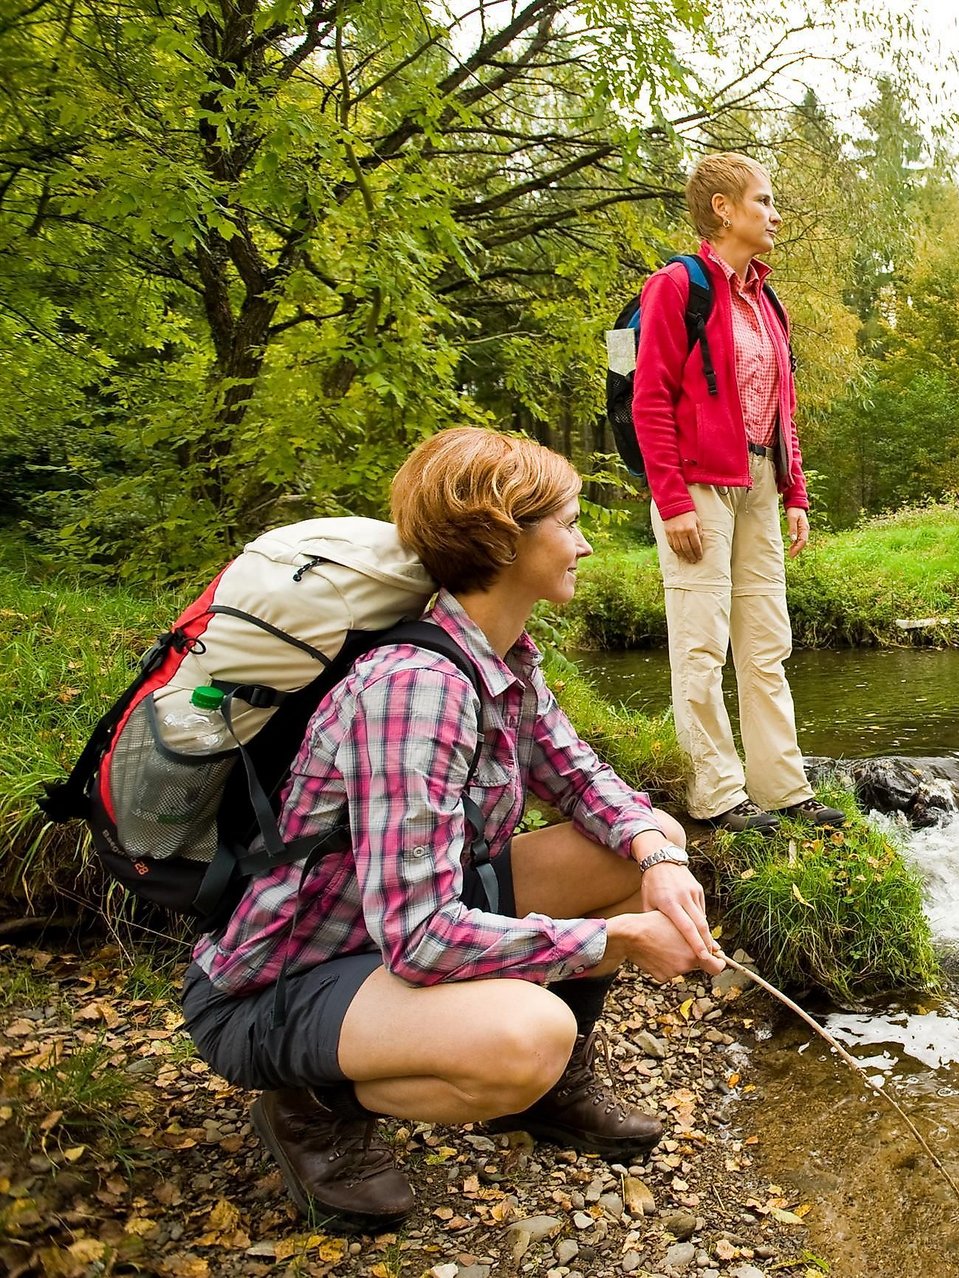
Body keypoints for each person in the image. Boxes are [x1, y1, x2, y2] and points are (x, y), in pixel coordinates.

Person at [182, 427, 727, 1230]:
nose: (584, 544)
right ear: (505, 540)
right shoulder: (417, 690)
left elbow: (579, 777)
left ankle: (547, 1095)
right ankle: (311, 1109)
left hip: (375, 931)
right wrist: (619, 941)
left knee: (628, 845)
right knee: (526, 1035)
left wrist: (659, 853)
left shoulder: (500, 658)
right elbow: (423, 938)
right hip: (285, 984)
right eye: (569, 524)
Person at [629, 151, 844, 835]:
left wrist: (796, 491)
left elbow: (784, 405)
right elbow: (650, 401)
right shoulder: (677, 286)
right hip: (697, 483)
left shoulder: (766, 299)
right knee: (700, 644)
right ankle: (715, 793)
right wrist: (672, 499)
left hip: (758, 482)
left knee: (765, 642)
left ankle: (781, 786)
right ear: (723, 208)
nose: (775, 214)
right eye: (763, 200)